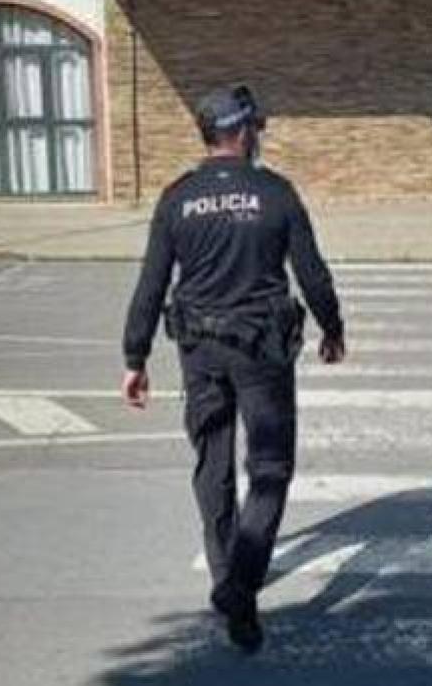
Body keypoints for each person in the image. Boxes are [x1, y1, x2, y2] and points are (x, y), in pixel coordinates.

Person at [120, 84, 346, 653]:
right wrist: (333, 328)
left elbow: (151, 283)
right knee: (269, 469)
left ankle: (227, 578)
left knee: (212, 461)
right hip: (261, 351)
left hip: (199, 350)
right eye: (256, 129)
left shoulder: (177, 197)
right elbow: (312, 272)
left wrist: (134, 357)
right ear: (243, 132)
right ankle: (240, 588)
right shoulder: (275, 193)